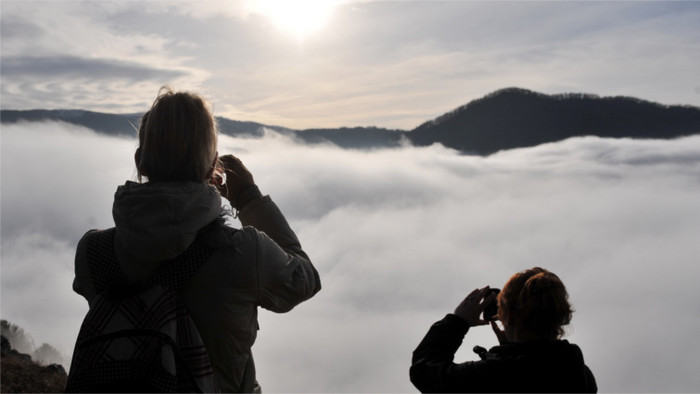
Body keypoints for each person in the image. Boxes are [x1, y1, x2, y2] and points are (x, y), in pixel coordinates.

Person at [72, 87, 321, 392]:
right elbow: (304, 279)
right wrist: (248, 198)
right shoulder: (243, 253)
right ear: (214, 167)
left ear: (140, 162)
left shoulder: (93, 254)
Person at [410, 267, 596, 393]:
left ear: (507, 315)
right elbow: (537, 364)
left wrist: (457, 321)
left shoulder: (498, 374)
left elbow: (425, 372)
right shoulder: (576, 371)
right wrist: (510, 347)